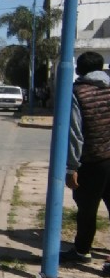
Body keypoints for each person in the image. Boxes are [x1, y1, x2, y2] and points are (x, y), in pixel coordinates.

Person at [60, 52, 110, 268]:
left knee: (87, 209)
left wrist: (71, 168)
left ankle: (82, 250)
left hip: (93, 161)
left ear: (79, 70)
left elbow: (75, 134)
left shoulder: (77, 92)